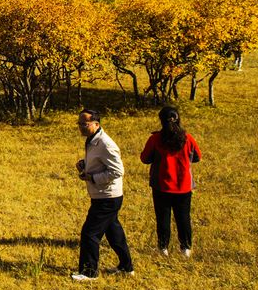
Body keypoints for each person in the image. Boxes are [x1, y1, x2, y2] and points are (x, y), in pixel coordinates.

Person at [72, 109, 134, 280]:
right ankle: (126, 267)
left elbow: (117, 171)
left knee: (89, 234)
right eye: (79, 124)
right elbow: (101, 163)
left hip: (107, 197)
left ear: (96, 124)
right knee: (114, 233)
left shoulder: (106, 144)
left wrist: (93, 177)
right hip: (104, 195)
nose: (81, 127)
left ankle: (89, 272)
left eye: (84, 124)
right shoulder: (92, 140)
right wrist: (86, 165)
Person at [140, 106, 201, 257]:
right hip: (184, 186)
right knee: (183, 217)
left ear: (161, 120)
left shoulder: (155, 139)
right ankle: (185, 248)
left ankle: (163, 248)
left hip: (162, 185)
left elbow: (145, 158)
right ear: (178, 118)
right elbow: (197, 157)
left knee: (162, 218)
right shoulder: (188, 138)